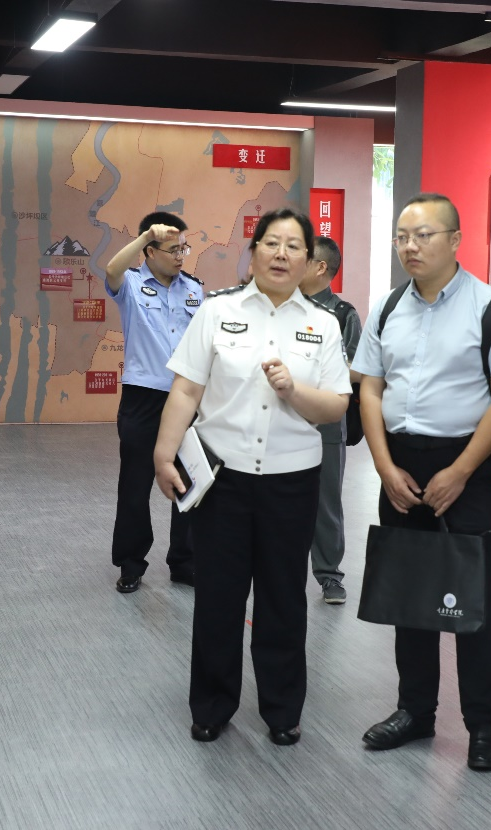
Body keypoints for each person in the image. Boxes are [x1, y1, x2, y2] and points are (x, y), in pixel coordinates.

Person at [153, 209, 351, 746]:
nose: (281, 254)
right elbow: (186, 389)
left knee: (283, 599)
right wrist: (164, 455)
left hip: (292, 482)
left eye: (293, 246)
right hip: (224, 480)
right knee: (218, 597)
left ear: (309, 261)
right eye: (271, 243)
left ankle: (283, 710)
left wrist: (293, 391)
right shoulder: (217, 311)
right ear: (254, 250)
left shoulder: (323, 325)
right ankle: (212, 705)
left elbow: (335, 406)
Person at [354, 193, 491, 772]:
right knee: (409, 593)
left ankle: (484, 725)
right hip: (400, 463)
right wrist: (384, 467)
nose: (410, 247)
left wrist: (461, 471)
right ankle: (414, 710)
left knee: (471, 597)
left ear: (455, 240)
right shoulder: (386, 308)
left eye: (423, 235)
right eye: (403, 236)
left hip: (465, 464)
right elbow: (370, 388)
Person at [104, 212, 202, 593]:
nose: (180, 256)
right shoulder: (130, 283)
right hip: (143, 397)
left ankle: (185, 560)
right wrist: (145, 234)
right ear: (149, 251)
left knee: (189, 479)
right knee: (135, 482)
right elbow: (111, 269)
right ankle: (131, 562)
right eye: (173, 249)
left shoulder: (194, 290)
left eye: (184, 249)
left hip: (187, 397)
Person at [300, 236, 362, 604]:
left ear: (320, 267)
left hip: (326, 421)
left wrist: (316, 365)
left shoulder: (342, 314)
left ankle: (329, 575)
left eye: (303, 256)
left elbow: (358, 370)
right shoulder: (282, 305)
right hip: (283, 418)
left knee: (326, 502)